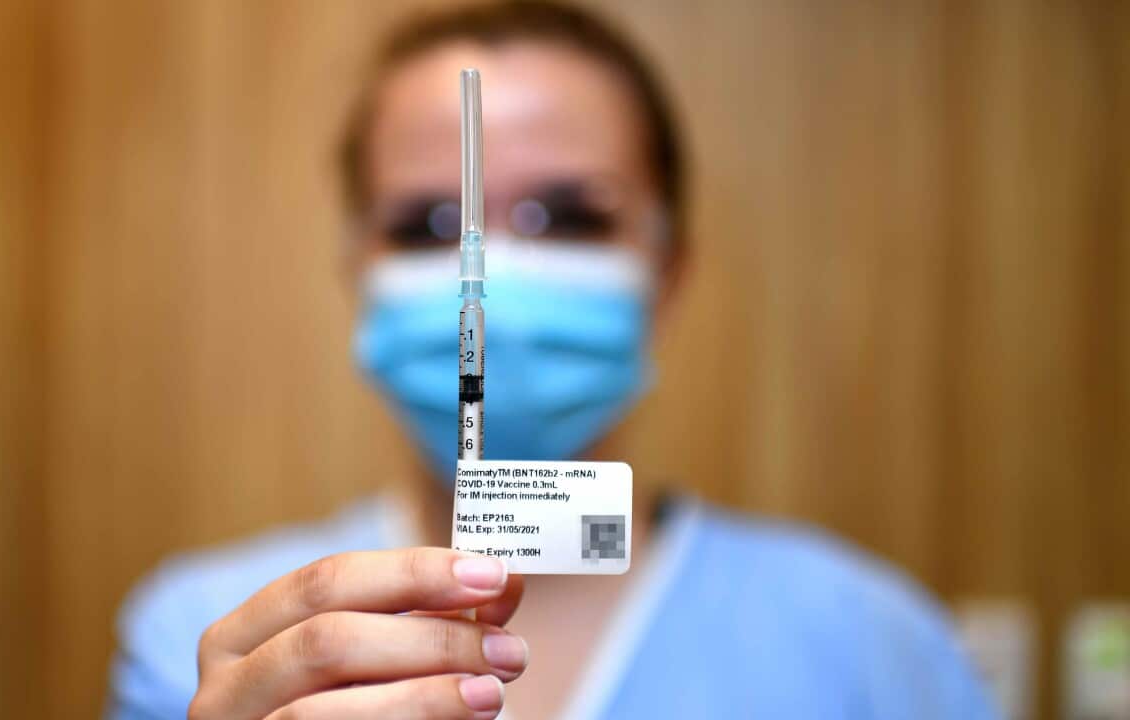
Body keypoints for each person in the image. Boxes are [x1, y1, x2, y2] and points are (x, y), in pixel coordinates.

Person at [107, 3, 998, 719]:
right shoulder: (205, 641)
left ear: (668, 269)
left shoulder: (869, 649)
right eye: (428, 224)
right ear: (356, 270)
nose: (487, 278)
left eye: (566, 217)